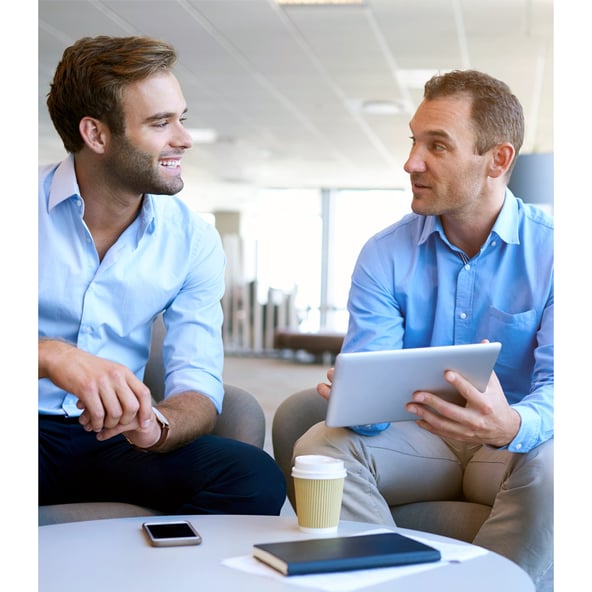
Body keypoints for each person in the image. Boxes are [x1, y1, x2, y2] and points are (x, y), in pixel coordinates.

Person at [292, 70, 553, 585]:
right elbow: (368, 413)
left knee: (566, 465)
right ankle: (396, 584)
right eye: (414, 141)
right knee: (320, 445)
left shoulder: (559, 253)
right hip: (417, 442)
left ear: (497, 159)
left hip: (509, 451)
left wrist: (511, 426)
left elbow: (567, 388)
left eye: (437, 145)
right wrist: (356, 400)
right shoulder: (383, 253)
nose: (411, 162)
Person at [38, 35, 286, 516]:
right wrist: (48, 355)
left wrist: (160, 425)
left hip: (115, 440)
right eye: (160, 122)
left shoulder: (192, 239)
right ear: (97, 135)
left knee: (253, 477)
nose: (185, 138)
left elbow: (197, 380)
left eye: (181, 118)